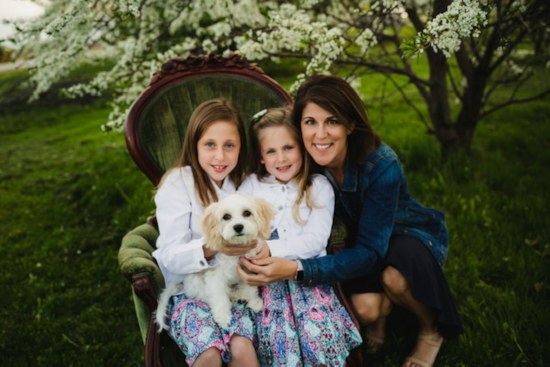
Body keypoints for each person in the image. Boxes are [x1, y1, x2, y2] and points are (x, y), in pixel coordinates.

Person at [238, 75, 464, 367]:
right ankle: (383, 316)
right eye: (310, 122)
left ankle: (430, 330)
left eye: (332, 121)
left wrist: (297, 268)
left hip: (397, 233)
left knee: (394, 279)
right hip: (353, 239)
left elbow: (371, 249)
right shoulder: (302, 162)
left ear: (350, 124)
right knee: (366, 310)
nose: (320, 134)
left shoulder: (381, 165)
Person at [237, 106, 362, 366]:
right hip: (263, 285)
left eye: (288, 148)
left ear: (302, 148)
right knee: (270, 340)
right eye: (271, 151)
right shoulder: (250, 185)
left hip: (305, 278)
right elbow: (236, 224)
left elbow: (315, 241)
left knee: (316, 338)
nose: (281, 158)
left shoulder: (317, 186)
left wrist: (271, 249)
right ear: (260, 157)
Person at [152, 99, 260, 367]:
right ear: (194, 145)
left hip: (234, 287)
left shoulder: (246, 183)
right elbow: (169, 257)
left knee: (243, 350)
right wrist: (213, 246)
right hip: (186, 292)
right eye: (210, 144)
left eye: (229, 145)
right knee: (208, 354)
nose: (220, 156)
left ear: (240, 148)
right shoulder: (179, 183)